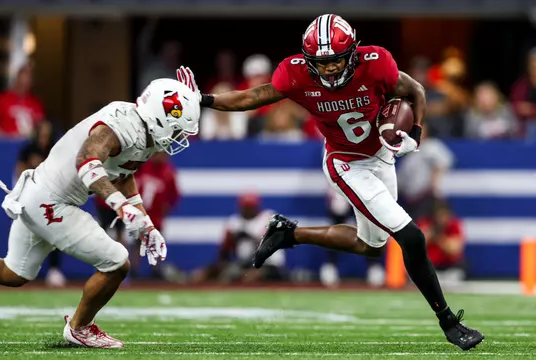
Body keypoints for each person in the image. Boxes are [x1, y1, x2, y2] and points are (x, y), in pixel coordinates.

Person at [176, 14, 483, 350]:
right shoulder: (294, 73)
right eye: (322, 64)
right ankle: (449, 322)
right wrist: (202, 100)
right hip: (345, 163)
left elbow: (416, 91)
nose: (331, 70)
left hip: (381, 157)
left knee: (372, 246)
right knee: (411, 236)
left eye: (336, 61)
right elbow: (253, 97)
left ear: (352, 53)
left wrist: (417, 132)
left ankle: (288, 233)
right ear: (309, 61)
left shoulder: (376, 63)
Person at [0, 79, 200, 348]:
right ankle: (80, 327)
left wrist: (146, 223)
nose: (178, 138)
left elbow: (124, 173)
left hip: (39, 195)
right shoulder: (121, 126)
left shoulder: (143, 131)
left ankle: (79, 326)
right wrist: (119, 204)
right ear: (160, 118)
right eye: (177, 130)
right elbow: (87, 160)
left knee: (13, 274)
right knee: (117, 262)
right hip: (51, 201)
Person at [190, 192, 285, 284]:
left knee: (249, 277)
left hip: (268, 265)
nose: (248, 211)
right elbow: (224, 252)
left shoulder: (267, 218)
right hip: (244, 264)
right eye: (245, 208)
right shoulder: (234, 223)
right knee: (214, 274)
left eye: (250, 208)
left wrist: (246, 235)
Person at [16, 121, 67, 288]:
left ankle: (54, 270)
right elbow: (19, 172)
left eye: (47, 135)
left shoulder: (55, 151)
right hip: (30, 197)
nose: (44, 138)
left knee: (55, 232)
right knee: (27, 233)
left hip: (50, 198)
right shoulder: (28, 150)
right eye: (42, 134)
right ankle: (22, 269)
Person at [133, 151, 180, 279]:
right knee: (138, 242)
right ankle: (134, 270)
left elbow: (175, 194)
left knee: (156, 241)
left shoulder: (169, 172)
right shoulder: (144, 167)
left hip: (157, 215)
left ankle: (155, 270)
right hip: (141, 212)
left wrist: (167, 207)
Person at [417, 201, 466, 287]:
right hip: (430, 268)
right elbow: (415, 245)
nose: (442, 219)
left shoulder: (454, 225)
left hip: (449, 268)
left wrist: (439, 238)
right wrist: (429, 235)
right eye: (439, 216)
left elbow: (455, 249)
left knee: (456, 274)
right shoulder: (425, 224)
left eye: (444, 216)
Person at [0, 61, 45, 138]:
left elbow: (42, 126)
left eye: (28, 80)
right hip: (7, 143)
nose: (25, 84)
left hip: (28, 144)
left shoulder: (36, 103)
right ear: (17, 79)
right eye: (22, 81)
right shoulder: (3, 99)